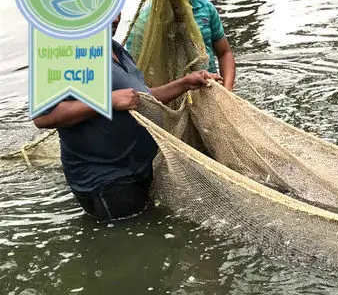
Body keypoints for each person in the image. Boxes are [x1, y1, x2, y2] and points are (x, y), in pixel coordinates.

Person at [32, 14, 221, 222]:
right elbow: (44, 117)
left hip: (140, 171)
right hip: (105, 181)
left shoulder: (117, 50)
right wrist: (107, 101)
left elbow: (140, 98)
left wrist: (185, 83)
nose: (113, 19)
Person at [128, 0, 236, 90]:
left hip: (210, 89)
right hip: (173, 95)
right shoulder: (144, 22)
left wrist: (227, 91)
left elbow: (224, 53)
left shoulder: (205, 8)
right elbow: (134, 71)